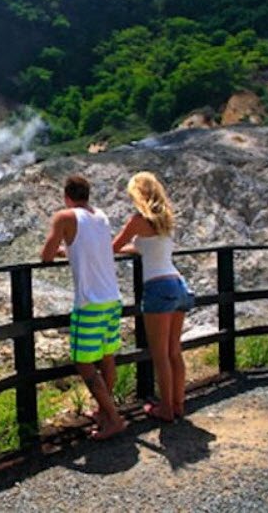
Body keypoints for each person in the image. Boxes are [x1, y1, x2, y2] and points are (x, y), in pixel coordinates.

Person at [40, 174, 127, 440]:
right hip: (112, 297)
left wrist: (57, 250)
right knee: (107, 356)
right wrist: (68, 251)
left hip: (90, 302)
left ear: (67, 196)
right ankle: (104, 410)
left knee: (84, 362)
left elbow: (45, 256)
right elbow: (88, 248)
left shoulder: (65, 217)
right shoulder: (100, 216)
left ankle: (113, 418)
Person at [112, 171, 194, 422]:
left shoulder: (138, 220)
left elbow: (113, 248)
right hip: (179, 284)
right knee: (174, 352)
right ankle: (178, 404)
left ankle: (166, 409)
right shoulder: (165, 220)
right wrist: (134, 249)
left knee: (160, 355)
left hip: (158, 288)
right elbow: (144, 247)